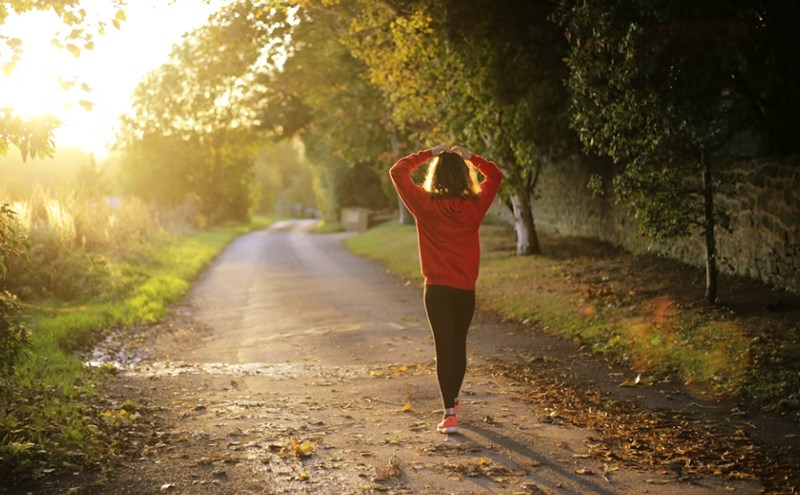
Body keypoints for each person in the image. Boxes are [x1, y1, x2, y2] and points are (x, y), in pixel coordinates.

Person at [389, 144, 503, 434]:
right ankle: (453, 401)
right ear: (465, 176)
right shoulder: (475, 206)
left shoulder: (424, 204)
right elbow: (495, 175)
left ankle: (449, 413)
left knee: (444, 347)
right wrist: (471, 157)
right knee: (458, 345)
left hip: (437, 290)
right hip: (464, 289)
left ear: (435, 175)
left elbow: (397, 171)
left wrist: (429, 153)